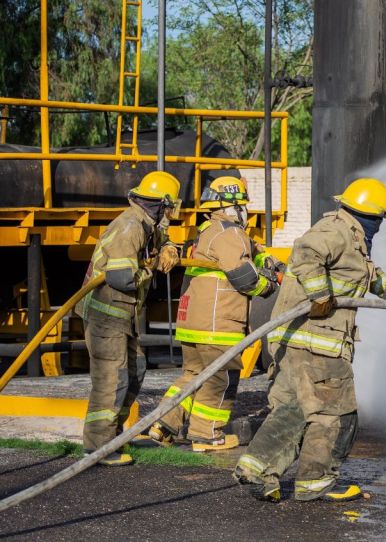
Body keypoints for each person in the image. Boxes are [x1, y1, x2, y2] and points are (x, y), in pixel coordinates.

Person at [232, 177, 386, 503]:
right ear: (371, 216)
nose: (381, 228)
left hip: (298, 341)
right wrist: (319, 295)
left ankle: (258, 471)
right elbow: (305, 253)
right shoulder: (338, 231)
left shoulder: (349, 235)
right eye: (380, 221)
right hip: (318, 343)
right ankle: (315, 482)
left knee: (294, 409)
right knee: (336, 413)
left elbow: (362, 273)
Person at [149, 176, 281, 452]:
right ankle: (207, 435)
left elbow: (245, 255)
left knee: (193, 375)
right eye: (242, 206)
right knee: (221, 378)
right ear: (231, 206)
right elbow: (245, 278)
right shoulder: (230, 233)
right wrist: (269, 284)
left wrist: (266, 259)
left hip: (193, 321)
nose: (245, 212)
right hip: (217, 322)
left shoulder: (208, 231)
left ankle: (164, 424)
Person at [77, 171, 182, 466]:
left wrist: (170, 249)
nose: (172, 213)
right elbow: (122, 278)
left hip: (124, 316)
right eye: (170, 206)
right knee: (112, 378)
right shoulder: (130, 226)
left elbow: (163, 240)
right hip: (105, 316)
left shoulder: (148, 224)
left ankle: (113, 436)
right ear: (161, 204)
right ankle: (98, 447)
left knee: (135, 368)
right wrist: (151, 268)